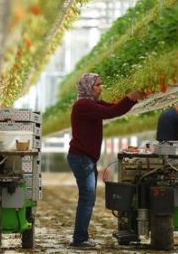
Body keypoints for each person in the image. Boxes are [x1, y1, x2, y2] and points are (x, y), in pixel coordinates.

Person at [67, 73, 142, 247]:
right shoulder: (83, 105)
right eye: (98, 85)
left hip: (85, 158)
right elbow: (112, 112)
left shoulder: (91, 103)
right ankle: (80, 239)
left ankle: (80, 237)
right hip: (81, 158)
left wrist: (131, 100)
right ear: (88, 87)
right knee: (87, 198)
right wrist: (130, 98)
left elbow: (114, 107)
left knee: (87, 198)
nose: (101, 88)